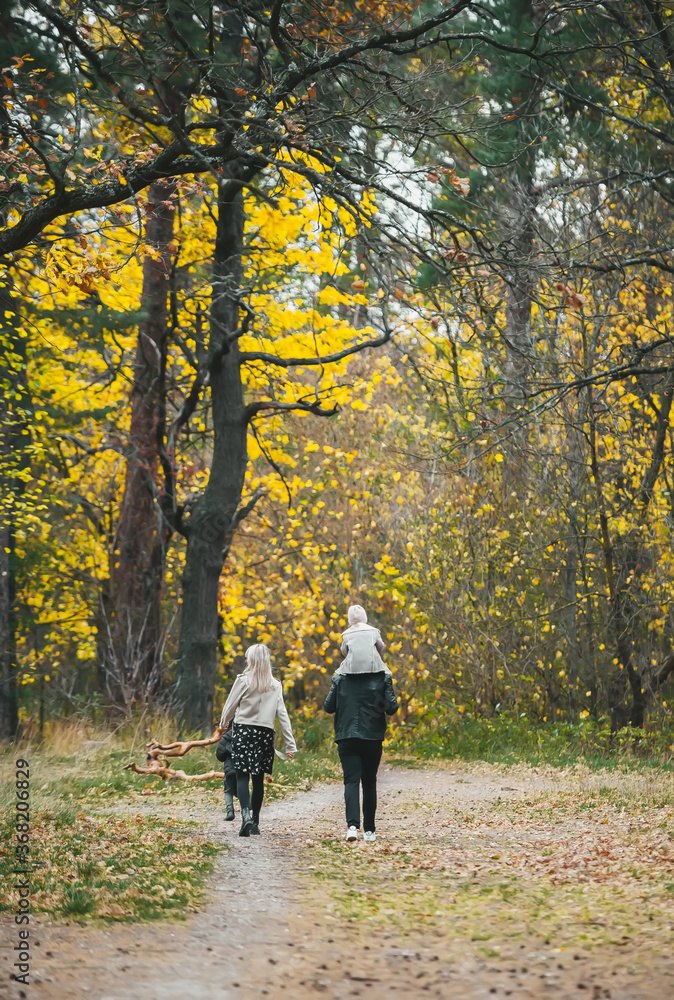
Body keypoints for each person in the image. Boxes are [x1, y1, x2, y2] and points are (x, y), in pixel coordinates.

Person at [324, 605, 398, 843]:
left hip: (346, 737)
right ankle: (370, 831)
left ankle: (352, 828)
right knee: (370, 781)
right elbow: (392, 708)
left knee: (351, 781)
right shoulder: (382, 677)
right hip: (372, 737)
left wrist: (337, 685)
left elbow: (328, 707)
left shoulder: (340, 678)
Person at [219, 643, 297, 837]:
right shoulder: (276, 684)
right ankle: (255, 822)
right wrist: (290, 744)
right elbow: (282, 715)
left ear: (252, 660)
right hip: (264, 735)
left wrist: (223, 722)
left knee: (242, 775)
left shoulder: (244, 681)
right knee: (259, 778)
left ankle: (245, 816)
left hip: (244, 731)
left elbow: (230, 705)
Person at [214, 719, 238, 822]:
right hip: (242, 769)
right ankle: (249, 805)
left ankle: (230, 811)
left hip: (229, 769)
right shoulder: (245, 735)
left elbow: (219, 755)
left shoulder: (226, 737)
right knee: (241, 789)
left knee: (228, 791)